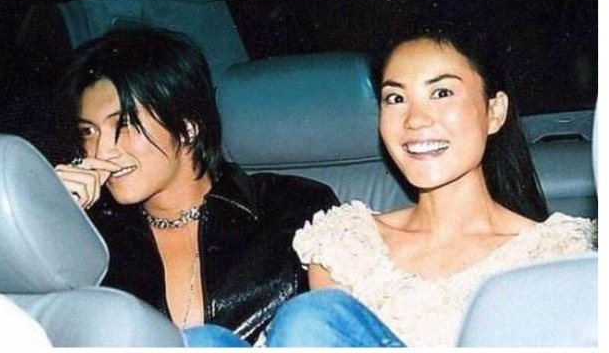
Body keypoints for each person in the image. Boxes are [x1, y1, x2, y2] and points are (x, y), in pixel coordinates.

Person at [188, 28, 597, 347]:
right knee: (199, 342)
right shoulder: (347, 242)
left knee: (310, 319)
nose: (415, 120)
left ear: (494, 111)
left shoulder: (555, 256)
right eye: (395, 99)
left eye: (441, 93)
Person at [53, 27, 340, 344]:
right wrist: (52, 222)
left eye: (124, 124)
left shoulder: (296, 207)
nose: (100, 151)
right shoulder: (92, 237)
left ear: (188, 126)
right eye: (89, 132)